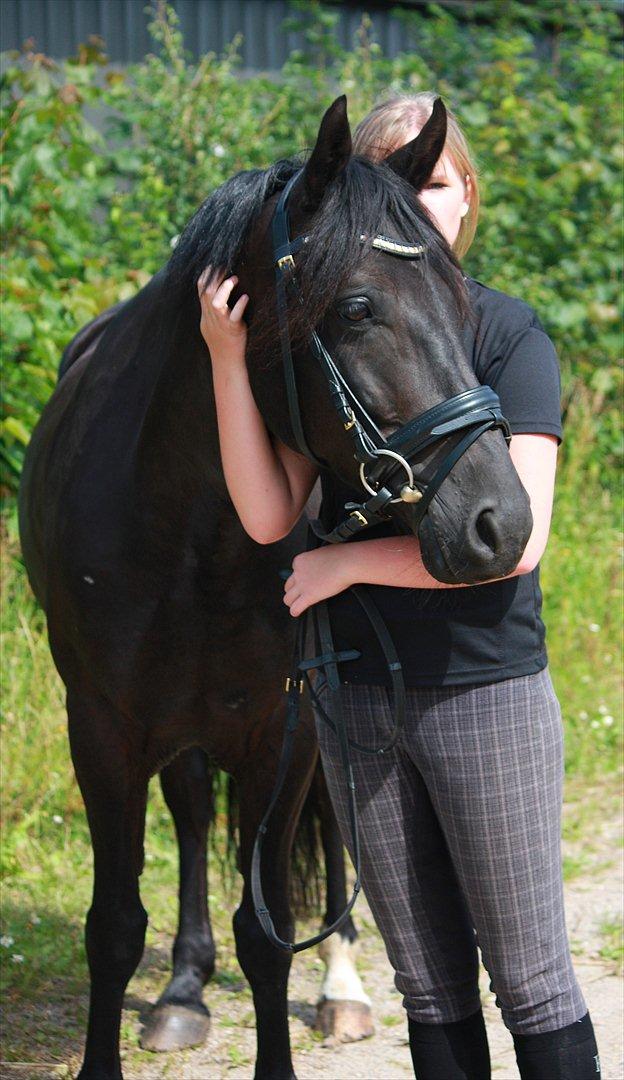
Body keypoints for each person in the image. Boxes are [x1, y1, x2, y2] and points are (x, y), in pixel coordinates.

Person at [197, 92, 601, 1080]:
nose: (414, 202)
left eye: (431, 181)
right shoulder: (333, 332)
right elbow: (265, 514)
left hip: (482, 691)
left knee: (533, 980)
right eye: (389, 184)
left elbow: (515, 543)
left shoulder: (509, 337)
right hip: (359, 697)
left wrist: (339, 561)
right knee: (425, 987)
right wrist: (225, 357)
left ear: (466, 198)